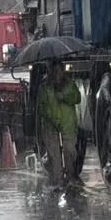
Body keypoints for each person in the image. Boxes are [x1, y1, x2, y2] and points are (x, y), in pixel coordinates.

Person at [38, 59, 82, 187]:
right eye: (54, 71)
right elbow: (42, 108)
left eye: (59, 71)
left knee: (70, 151)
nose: (57, 74)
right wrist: (52, 119)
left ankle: (70, 176)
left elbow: (77, 98)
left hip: (68, 125)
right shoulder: (44, 87)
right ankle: (58, 181)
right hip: (50, 126)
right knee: (55, 156)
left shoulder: (70, 84)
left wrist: (64, 96)